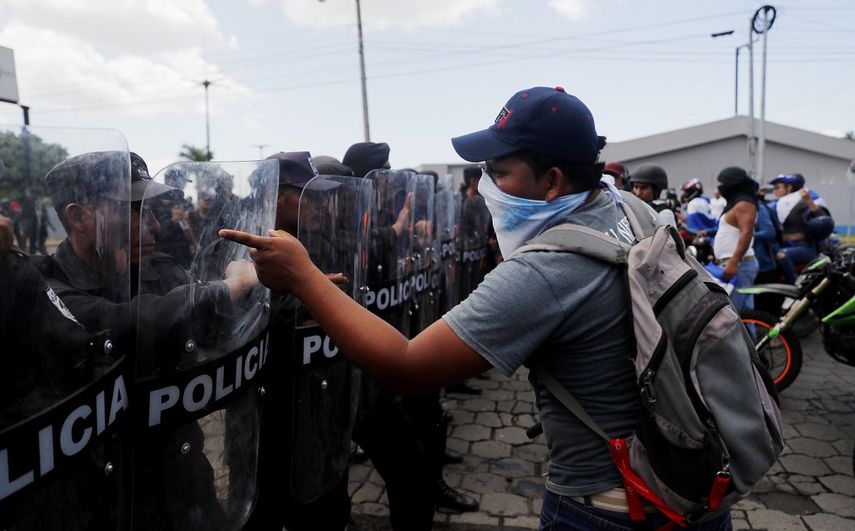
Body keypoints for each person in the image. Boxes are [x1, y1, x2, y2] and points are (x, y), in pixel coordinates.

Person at [220, 86, 732, 530]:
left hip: (613, 505)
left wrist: (304, 278)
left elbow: (408, 365)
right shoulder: (630, 210)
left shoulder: (549, 270)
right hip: (687, 478)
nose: (485, 184)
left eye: (499, 171)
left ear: (552, 181)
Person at [768, 173, 832, 280]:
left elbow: (824, 220)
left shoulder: (801, 202)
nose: (775, 191)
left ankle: (794, 287)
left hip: (804, 246)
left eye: (778, 187)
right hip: (784, 244)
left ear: (789, 187)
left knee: (782, 255)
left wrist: (809, 201)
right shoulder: (776, 204)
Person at [712, 167, 758, 312]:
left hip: (739, 265)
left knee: (732, 314)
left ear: (731, 184)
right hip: (736, 264)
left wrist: (733, 262)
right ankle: (751, 335)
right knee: (744, 314)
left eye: (721, 184)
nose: (719, 188)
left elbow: (746, 234)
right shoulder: (737, 203)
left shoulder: (744, 204)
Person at [630, 164, 677, 228]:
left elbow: (668, 237)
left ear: (656, 190)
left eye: (643, 188)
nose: (638, 193)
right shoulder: (632, 209)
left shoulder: (664, 213)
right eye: (635, 187)